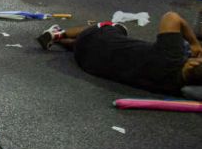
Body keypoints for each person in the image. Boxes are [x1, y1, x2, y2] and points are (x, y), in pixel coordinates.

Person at [36, 13, 202, 95]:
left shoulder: (170, 56)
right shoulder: (174, 87)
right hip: (89, 62)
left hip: (97, 41)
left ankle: (60, 34)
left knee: (118, 27)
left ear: (194, 63)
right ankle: (60, 40)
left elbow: (172, 17)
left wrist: (195, 43)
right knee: (86, 45)